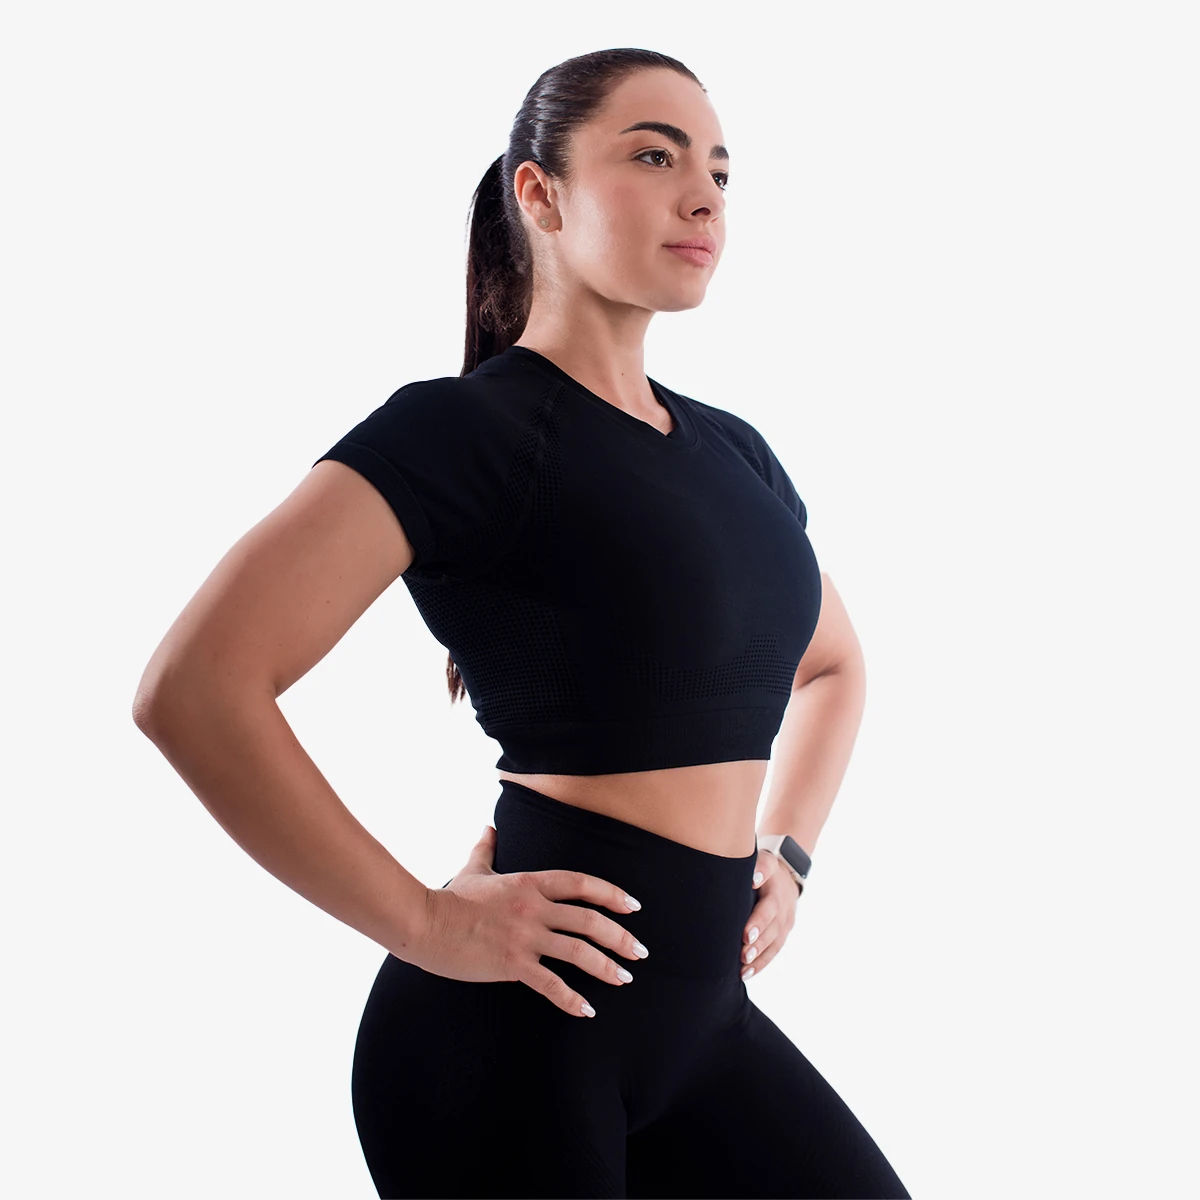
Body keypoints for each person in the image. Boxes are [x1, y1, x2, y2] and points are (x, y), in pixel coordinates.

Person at [133, 46, 911, 1200]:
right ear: (539, 194)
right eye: (654, 157)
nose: (704, 197)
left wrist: (788, 854)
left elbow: (834, 665)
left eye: (720, 170)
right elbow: (193, 691)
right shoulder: (465, 435)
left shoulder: (735, 454)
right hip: (508, 1039)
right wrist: (422, 923)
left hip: (705, 1028)